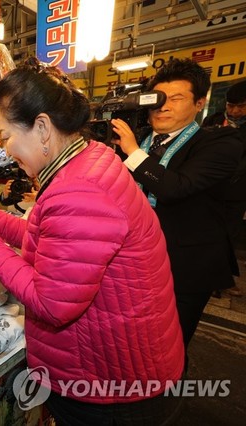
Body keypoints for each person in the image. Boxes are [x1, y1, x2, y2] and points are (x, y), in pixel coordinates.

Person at [0, 58, 184, 425]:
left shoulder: (77, 190)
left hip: (115, 387)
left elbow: (53, 304)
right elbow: (50, 243)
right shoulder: (89, 159)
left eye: (6, 135)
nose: (5, 149)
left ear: (41, 128)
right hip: (123, 365)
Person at [111, 59, 243, 354]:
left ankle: (165, 397)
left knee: (169, 347)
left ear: (199, 103)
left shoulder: (221, 142)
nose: (164, 106)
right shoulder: (138, 139)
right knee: (130, 341)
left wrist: (132, 151)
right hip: (133, 261)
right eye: (159, 98)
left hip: (185, 269)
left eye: (177, 98)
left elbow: (175, 187)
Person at [202, 80, 246, 297]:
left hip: (236, 192)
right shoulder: (214, 120)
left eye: (241, 106)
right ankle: (211, 276)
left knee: (229, 235)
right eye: (231, 105)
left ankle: (224, 279)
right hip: (210, 188)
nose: (235, 111)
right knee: (209, 232)